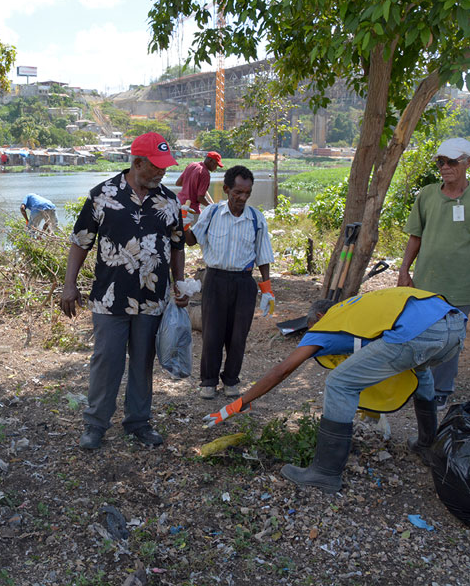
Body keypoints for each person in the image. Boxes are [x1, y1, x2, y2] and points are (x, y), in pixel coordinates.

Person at [203, 287, 467, 494]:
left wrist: (238, 404)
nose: (309, 334)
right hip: (453, 322)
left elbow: (281, 370)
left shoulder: (326, 326)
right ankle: (426, 444)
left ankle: (325, 472)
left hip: (419, 333)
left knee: (340, 383)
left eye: (310, 325)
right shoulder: (356, 310)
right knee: (420, 370)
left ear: (319, 317)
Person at [61, 132, 188, 450]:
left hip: (153, 299)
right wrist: (69, 284)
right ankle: (95, 424)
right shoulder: (102, 195)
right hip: (110, 298)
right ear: (137, 163)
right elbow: (80, 242)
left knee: (144, 361)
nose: (162, 172)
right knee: (107, 360)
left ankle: (138, 422)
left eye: (165, 166)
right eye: (156, 166)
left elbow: (177, 246)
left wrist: (180, 283)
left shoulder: (169, 201)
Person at [186, 165, 275, 400]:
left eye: (247, 193)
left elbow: (263, 255)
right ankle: (208, 381)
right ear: (226, 189)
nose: (242, 198)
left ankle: (231, 381)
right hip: (215, 279)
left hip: (244, 283)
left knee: (238, 336)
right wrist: (182, 223)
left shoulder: (256, 218)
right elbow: (192, 240)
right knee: (212, 333)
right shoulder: (212, 213)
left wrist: (266, 290)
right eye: (237, 192)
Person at [398, 137, 470, 410]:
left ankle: (441, 389)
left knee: (452, 338)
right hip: (426, 280)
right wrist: (404, 270)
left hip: (462, 283)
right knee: (421, 333)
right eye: (441, 162)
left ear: (467, 163)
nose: (445, 167)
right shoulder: (427, 195)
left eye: (452, 161)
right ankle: (417, 383)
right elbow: (415, 236)